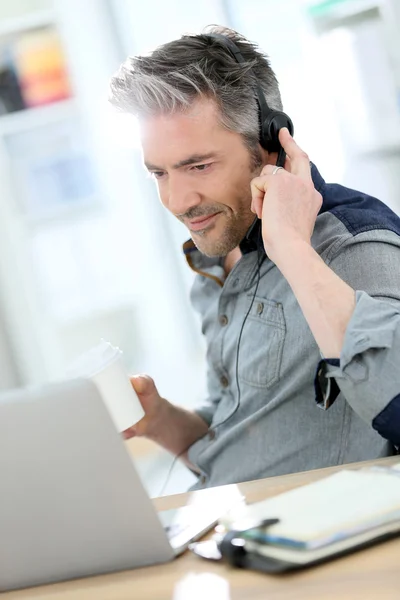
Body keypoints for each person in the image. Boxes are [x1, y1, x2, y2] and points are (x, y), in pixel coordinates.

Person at [109, 26, 400, 489]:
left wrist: (292, 251)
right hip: (231, 531)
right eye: (159, 173)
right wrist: (159, 419)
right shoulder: (215, 258)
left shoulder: (350, 245)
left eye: (198, 165)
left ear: (271, 143)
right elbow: (245, 434)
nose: (179, 200)